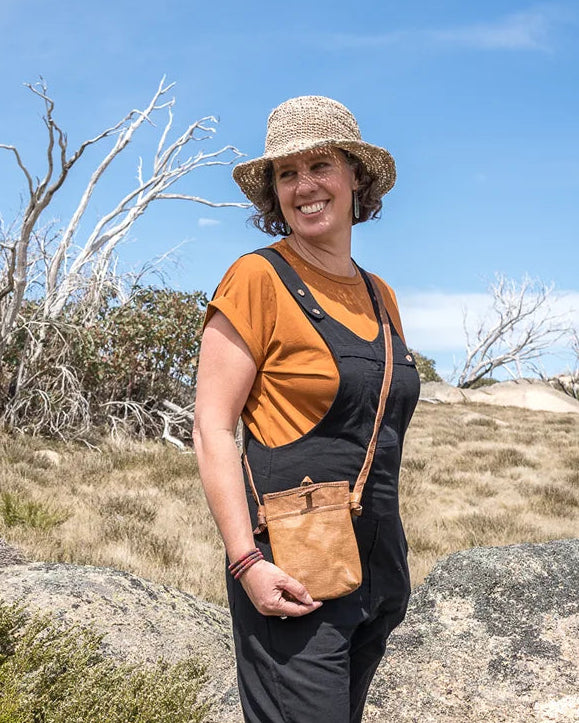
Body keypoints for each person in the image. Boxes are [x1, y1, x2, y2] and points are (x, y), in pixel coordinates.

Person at [193, 95, 420, 723]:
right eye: (286, 174)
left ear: (355, 176)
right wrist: (246, 562)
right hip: (291, 574)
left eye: (319, 165)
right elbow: (212, 428)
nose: (304, 187)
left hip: (374, 569)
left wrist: (389, 574)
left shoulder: (382, 296)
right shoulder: (256, 278)